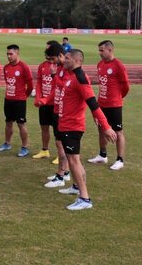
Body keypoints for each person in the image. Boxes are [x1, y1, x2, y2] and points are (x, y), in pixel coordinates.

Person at [55, 49, 117, 210]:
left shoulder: (80, 78)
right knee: (71, 159)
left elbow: (93, 105)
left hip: (73, 126)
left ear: (77, 61)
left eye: (67, 58)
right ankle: (76, 187)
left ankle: (85, 198)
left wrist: (106, 127)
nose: (64, 61)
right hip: (65, 124)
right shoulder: (70, 75)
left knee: (74, 161)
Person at [88, 40, 129, 170]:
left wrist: (117, 97)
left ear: (110, 50)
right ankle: (102, 155)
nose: (99, 53)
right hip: (101, 103)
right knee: (101, 129)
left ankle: (120, 159)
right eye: (99, 50)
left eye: (102, 50)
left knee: (118, 131)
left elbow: (125, 86)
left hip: (114, 104)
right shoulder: (100, 64)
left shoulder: (118, 65)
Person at [0, 45, 33, 157]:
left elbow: (30, 85)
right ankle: (7, 143)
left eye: (11, 54)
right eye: (7, 54)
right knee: (8, 122)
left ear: (17, 53)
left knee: (21, 124)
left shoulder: (24, 67)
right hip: (8, 99)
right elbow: (8, 82)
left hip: (19, 101)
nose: (8, 56)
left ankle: (25, 147)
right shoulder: (6, 67)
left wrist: (23, 96)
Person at [41, 44, 71, 188]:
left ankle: (61, 175)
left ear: (60, 55)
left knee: (61, 145)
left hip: (64, 112)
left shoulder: (67, 69)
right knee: (60, 143)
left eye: (53, 59)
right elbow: (57, 89)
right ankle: (64, 172)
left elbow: (66, 87)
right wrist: (45, 100)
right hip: (57, 109)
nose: (51, 63)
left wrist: (53, 75)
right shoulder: (59, 68)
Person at [32, 41, 62, 160]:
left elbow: (59, 88)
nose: (47, 53)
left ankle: (61, 155)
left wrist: (46, 99)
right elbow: (39, 82)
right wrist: (38, 97)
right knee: (44, 127)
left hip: (55, 104)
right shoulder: (42, 66)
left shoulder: (61, 67)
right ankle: (45, 150)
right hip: (44, 103)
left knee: (58, 132)